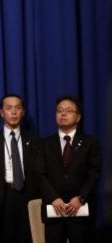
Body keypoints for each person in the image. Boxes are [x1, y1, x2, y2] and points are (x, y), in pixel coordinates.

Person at [36, 95, 101, 243]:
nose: (63, 114)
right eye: (59, 110)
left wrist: (81, 197)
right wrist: (54, 197)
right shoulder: (44, 144)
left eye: (69, 110)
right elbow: (40, 174)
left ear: (78, 117)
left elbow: (94, 174)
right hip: (54, 211)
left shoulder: (90, 142)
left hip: (80, 210)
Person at [0, 94, 40, 243]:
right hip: (1, 198)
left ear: (23, 112)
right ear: (2, 113)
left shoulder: (34, 140)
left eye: (18, 108)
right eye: (9, 108)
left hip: (27, 197)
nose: (14, 112)